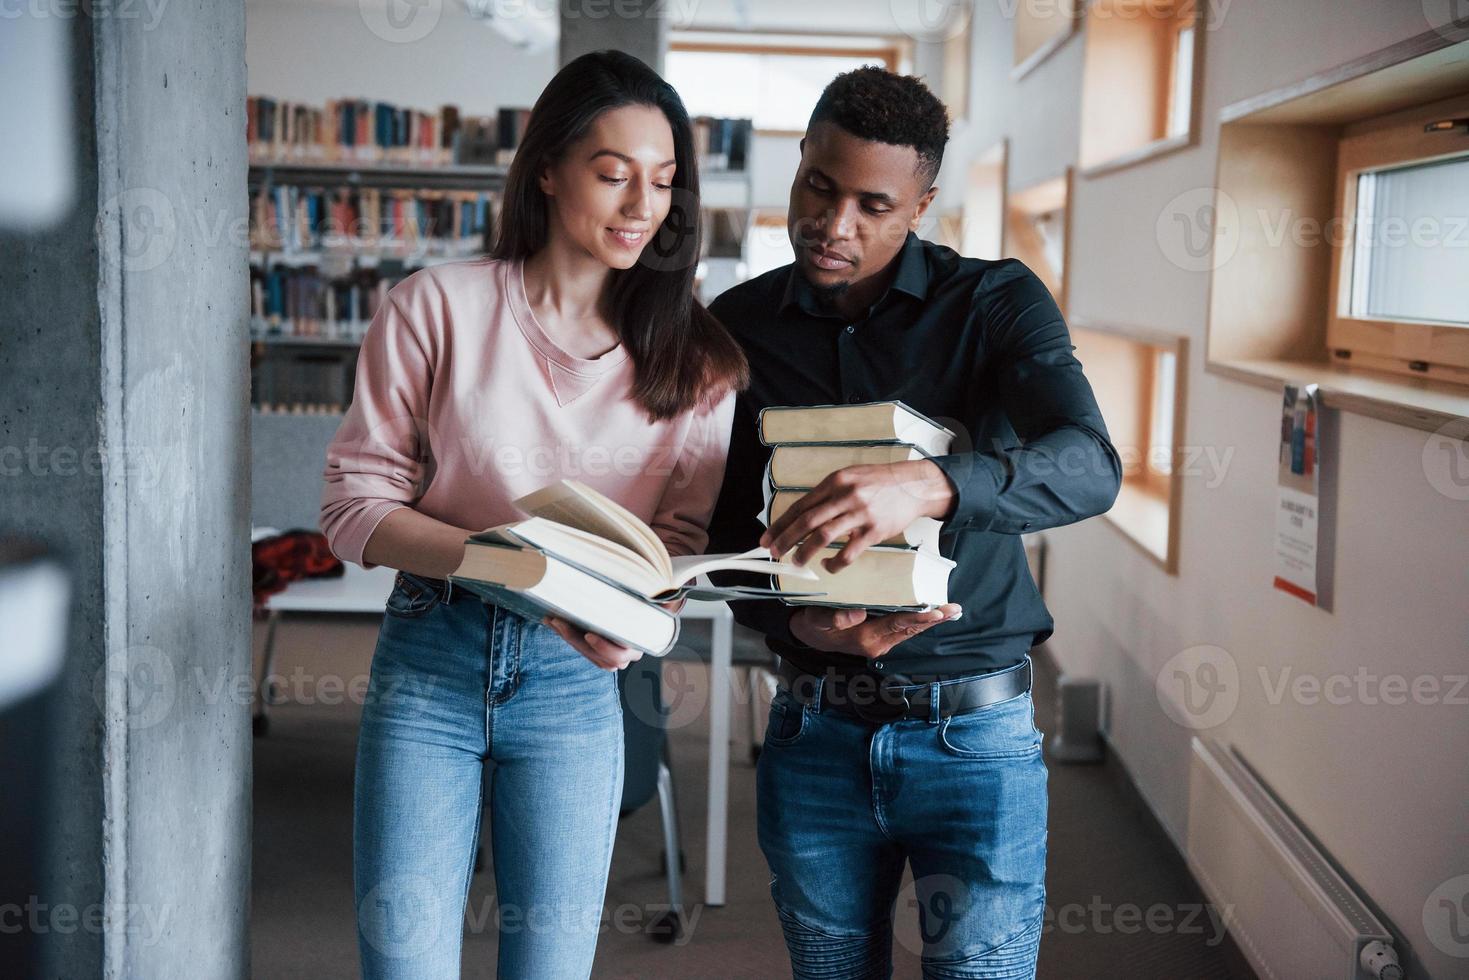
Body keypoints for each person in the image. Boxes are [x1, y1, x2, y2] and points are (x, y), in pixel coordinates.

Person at [319, 50, 746, 979]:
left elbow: (674, 545)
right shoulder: (434, 307)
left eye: (665, 182)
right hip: (429, 661)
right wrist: (503, 564)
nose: (644, 206)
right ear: (547, 169)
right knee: (402, 964)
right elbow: (354, 509)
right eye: (614, 174)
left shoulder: (700, 363)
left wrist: (644, 615)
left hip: (573, 681)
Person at [705, 67, 1121, 979]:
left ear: (921, 205)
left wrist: (926, 484)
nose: (833, 223)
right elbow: (722, 539)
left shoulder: (995, 301)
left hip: (973, 739)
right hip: (812, 728)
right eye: (819, 184)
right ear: (801, 158)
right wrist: (791, 620)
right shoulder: (733, 326)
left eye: (872, 203)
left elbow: (1091, 467)